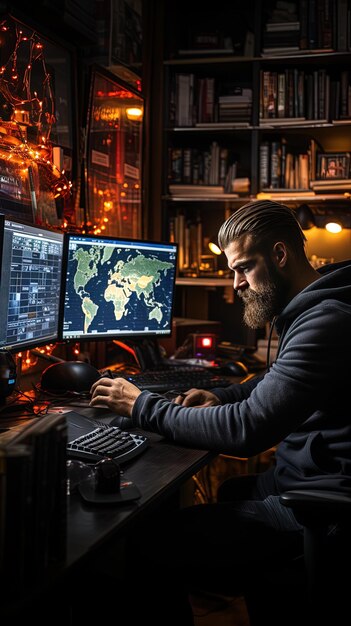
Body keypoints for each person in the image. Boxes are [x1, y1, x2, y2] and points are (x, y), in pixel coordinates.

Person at [89, 200, 351, 625]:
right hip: (308, 477)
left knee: (145, 545)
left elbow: (249, 430)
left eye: (244, 268)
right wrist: (224, 395)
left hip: (323, 505)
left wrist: (140, 405)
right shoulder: (318, 306)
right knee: (228, 495)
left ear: (280, 255)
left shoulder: (326, 321)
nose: (236, 285)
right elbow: (278, 384)